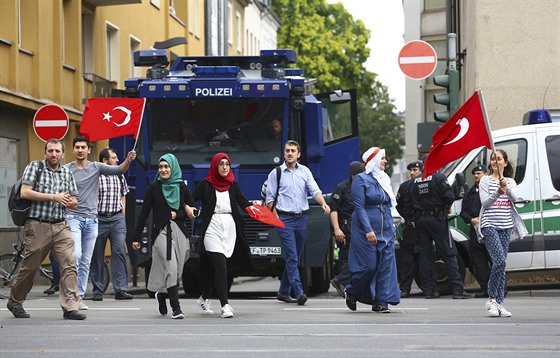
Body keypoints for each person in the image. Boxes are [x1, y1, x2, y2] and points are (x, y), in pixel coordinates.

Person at [6, 139, 85, 320]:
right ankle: (15, 302)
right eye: (50, 151)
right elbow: (25, 192)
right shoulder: (35, 167)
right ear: (45, 152)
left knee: (69, 264)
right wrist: (53, 197)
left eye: (57, 151)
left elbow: (74, 201)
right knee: (30, 267)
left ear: (63, 154)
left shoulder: (67, 172)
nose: (54, 154)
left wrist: (68, 201)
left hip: (60, 225)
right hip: (37, 225)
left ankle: (70, 307)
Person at [65, 136, 136, 309]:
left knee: (115, 252)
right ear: (73, 150)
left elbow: (120, 172)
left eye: (84, 147)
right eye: (77, 147)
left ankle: (85, 296)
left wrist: (128, 159)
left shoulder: (99, 169)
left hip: (103, 219)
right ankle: (94, 290)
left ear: (89, 150)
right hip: (84, 218)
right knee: (80, 255)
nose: (80, 150)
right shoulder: (67, 170)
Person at [187, 153, 254, 319]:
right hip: (212, 228)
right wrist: (190, 209)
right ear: (215, 166)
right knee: (220, 266)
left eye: (227, 164)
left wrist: (256, 209)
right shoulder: (205, 185)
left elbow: (243, 203)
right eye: (221, 164)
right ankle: (225, 305)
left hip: (229, 228)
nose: (224, 167)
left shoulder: (233, 184)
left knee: (214, 268)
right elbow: (190, 199)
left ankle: (204, 297)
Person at [265, 140, 331, 305]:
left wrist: (323, 202)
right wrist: (276, 218)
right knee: (292, 256)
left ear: (298, 154)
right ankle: (299, 292)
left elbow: (314, 190)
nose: (289, 153)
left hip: (301, 218)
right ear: (284, 153)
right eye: (287, 150)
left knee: (295, 257)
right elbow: (270, 198)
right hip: (284, 219)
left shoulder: (305, 172)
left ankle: (283, 291)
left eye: (293, 151)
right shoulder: (276, 173)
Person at [132, 154, 193, 319]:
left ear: (173, 168)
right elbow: (144, 213)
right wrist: (136, 238)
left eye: (166, 167)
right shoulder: (154, 187)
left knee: (177, 270)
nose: (163, 170)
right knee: (171, 267)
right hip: (161, 232)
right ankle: (176, 309)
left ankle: (162, 294)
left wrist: (177, 214)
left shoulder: (182, 187)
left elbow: (190, 211)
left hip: (179, 231)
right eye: (161, 167)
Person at [344, 147, 400, 313]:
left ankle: (381, 302)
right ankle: (352, 290)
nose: (385, 161)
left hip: (386, 229)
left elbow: (388, 205)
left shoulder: (384, 179)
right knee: (368, 266)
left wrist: (392, 227)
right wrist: (368, 230)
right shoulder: (361, 179)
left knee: (385, 266)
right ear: (374, 160)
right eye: (382, 158)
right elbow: (360, 207)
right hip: (365, 230)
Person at [410, 160, 470, 299]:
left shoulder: (414, 182)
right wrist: (447, 207)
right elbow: (449, 197)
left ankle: (430, 291)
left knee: (425, 257)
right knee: (449, 253)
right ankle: (457, 290)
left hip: (420, 221)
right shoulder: (439, 178)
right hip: (437, 220)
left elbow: (407, 202)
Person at [479, 150, 527, 317]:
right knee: (498, 261)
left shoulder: (510, 181)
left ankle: (499, 303)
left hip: (505, 226)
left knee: (502, 265)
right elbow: (485, 203)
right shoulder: (484, 180)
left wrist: (505, 188)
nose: (495, 161)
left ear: (505, 163)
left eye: (498, 159)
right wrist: (498, 191)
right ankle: (491, 299)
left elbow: (514, 199)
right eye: (493, 159)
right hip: (489, 224)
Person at [90, 148, 133, 301]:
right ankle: (98, 290)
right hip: (99, 219)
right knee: (96, 255)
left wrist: (123, 213)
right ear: (105, 161)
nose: (116, 160)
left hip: (117, 219)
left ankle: (121, 290)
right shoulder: (95, 176)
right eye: (114, 158)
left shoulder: (119, 176)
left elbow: (124, 194)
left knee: (119, 251)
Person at [329, 161, 364, 298]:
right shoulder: (342, 187)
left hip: (359, 227)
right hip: (346, 226)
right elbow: (334, 209)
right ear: (352, 175)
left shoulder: (363, 186)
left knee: (356, 258)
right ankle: (341, 281)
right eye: (358, 175)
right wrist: (337, 229)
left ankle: (346, 283)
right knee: (347, 257)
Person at [460, 164, 491, 299]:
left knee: (494, 259)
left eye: (479, 173)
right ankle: (485, 289)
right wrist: (471, 220)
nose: (476, 176)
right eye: (475, 174)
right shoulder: (470, 192)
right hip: (475, 230)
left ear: (486, 174)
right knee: (479, 261)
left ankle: (500, 287)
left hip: (490, 227)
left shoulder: (492, 189)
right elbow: (463, 212)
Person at [395, 160, 423, 298]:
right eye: (411, 170)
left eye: (415, 170)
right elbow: (399, 205)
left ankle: (429, 288)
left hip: (423, 225)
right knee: (407, 259)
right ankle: (405, 288)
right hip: (410, 225)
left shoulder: (425, 185)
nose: (412, 173)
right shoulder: (404, 186)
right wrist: (408, 218)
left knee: (425, 258)